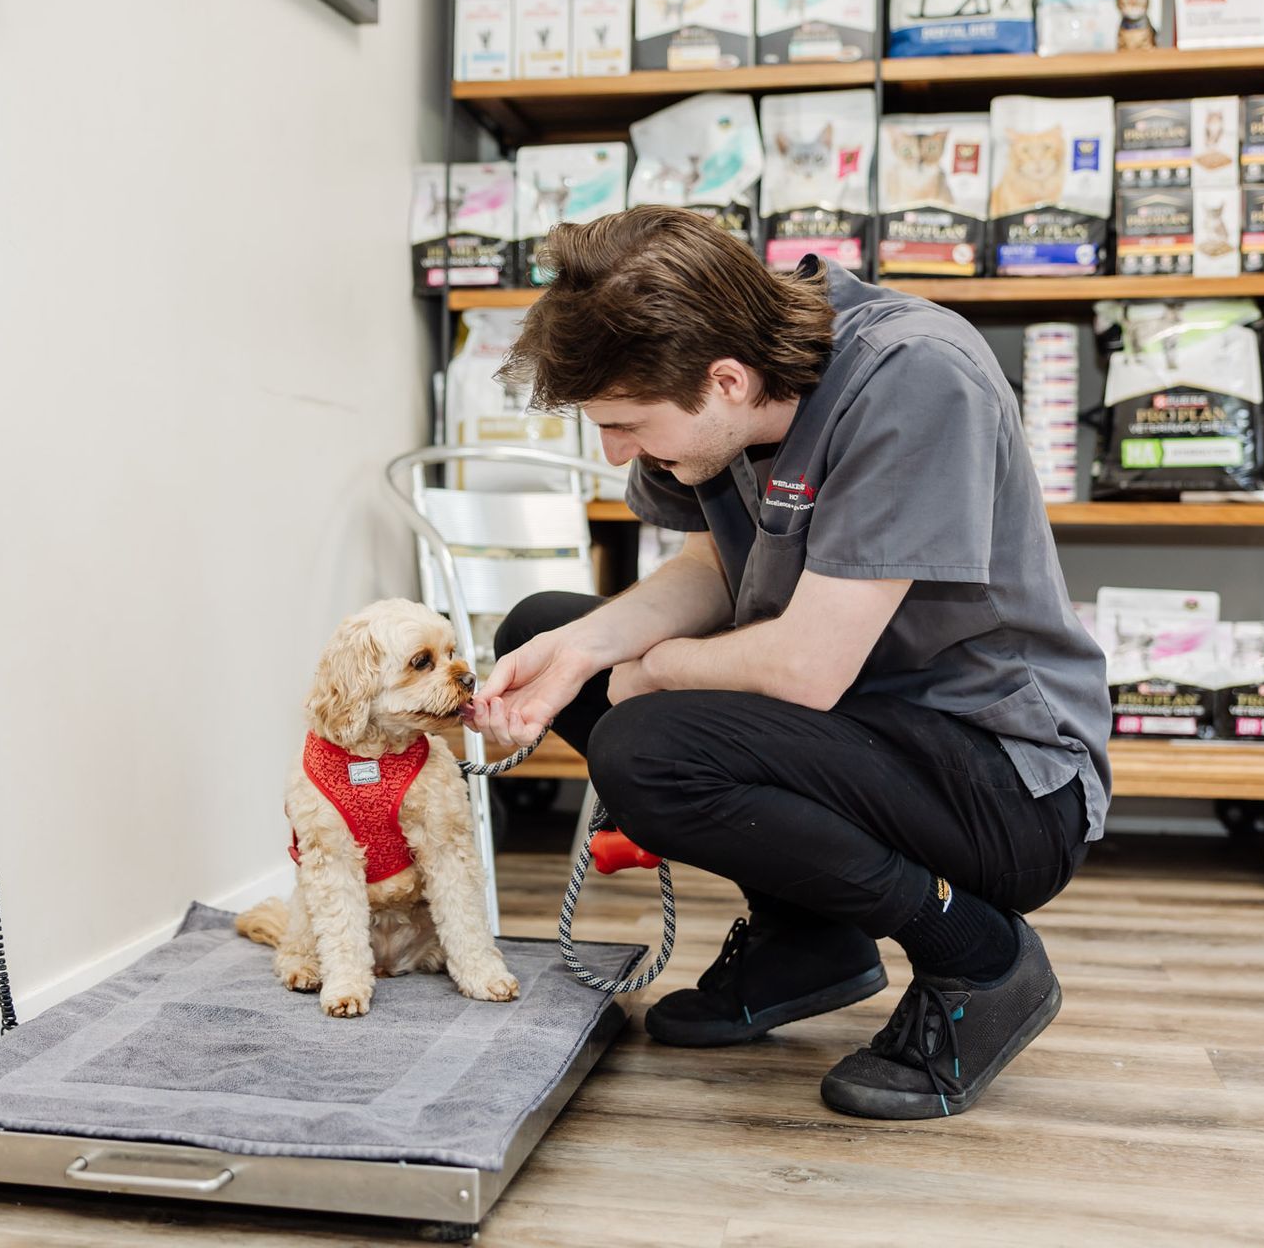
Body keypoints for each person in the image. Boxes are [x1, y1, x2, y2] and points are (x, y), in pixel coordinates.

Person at [465, 205, 1110, 1121]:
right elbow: (718, 565)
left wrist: (648, 673)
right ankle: (808, 940)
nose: (615, 451)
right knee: (545, 628)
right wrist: (582, 651)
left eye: (626, 423)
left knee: (648, 740)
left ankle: (979, 958)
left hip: (1007, 780)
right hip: (860, 735)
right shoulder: (712, 401)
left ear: (725, 379)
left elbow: (806, 668)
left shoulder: (914, 377)